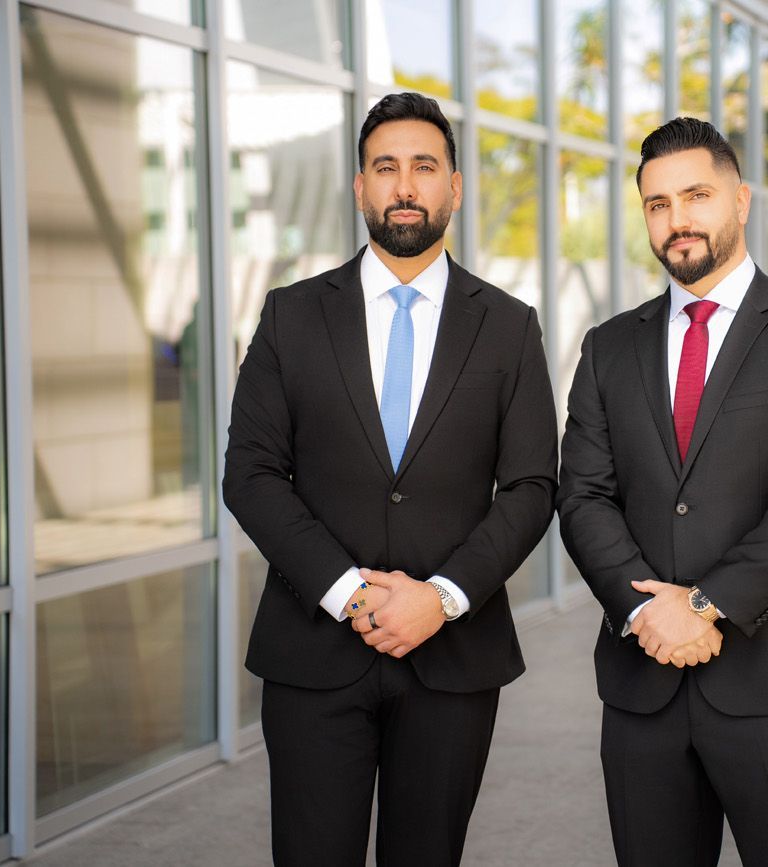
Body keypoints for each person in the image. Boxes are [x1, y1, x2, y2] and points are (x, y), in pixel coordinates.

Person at [223, 92, 557, 867]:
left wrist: (437, 599)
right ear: (360, 187)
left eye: (424, 167)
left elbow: (534, 485)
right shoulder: (290, 316)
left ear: (454, 187)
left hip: (453, 658)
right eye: (386, 167)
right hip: (313, 649)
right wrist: (350, 590)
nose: (405, 185)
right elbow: (252, 472)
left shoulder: (509, 326)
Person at [557, 117, 768, 866]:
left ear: (741, 198)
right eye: (658, 204)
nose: (678, 220)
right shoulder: (609, 346)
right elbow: (583, 496)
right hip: (644, 688)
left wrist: (700, 605)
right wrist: (646, 610)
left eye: (696, 195)